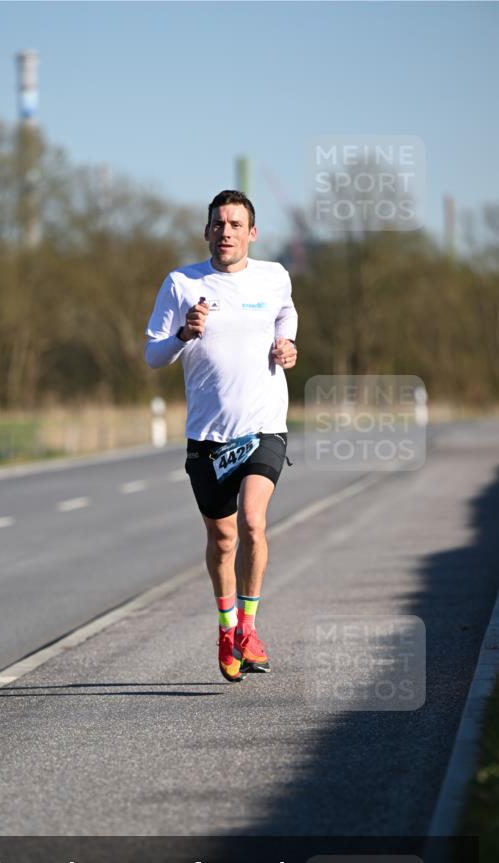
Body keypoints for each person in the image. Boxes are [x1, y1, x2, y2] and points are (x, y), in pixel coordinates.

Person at [144, 190, 298, 683]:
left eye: (236, 224)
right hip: (208, 438)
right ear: (206, 231)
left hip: (263, 427)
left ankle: (249, 628)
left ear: (252, 233)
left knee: (253, 521)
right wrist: (184, 335)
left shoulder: (273, 276)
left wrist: (288, 343)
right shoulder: (181, 283)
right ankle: (227, 628)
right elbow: (152, 356)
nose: (226, 231)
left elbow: (286, 314)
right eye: (218, 224)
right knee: (223, 536)